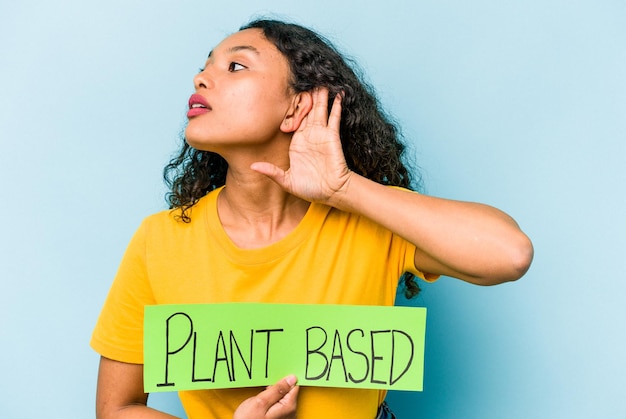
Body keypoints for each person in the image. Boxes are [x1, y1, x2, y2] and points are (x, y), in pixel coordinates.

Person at [91, 18, 533, 419]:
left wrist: (344, 189)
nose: (200, 77)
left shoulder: (370, 221)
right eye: (206, 66)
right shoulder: (159, 240)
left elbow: (510, 255)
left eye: (236, 67)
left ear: (296, 108)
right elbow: (117, 408)